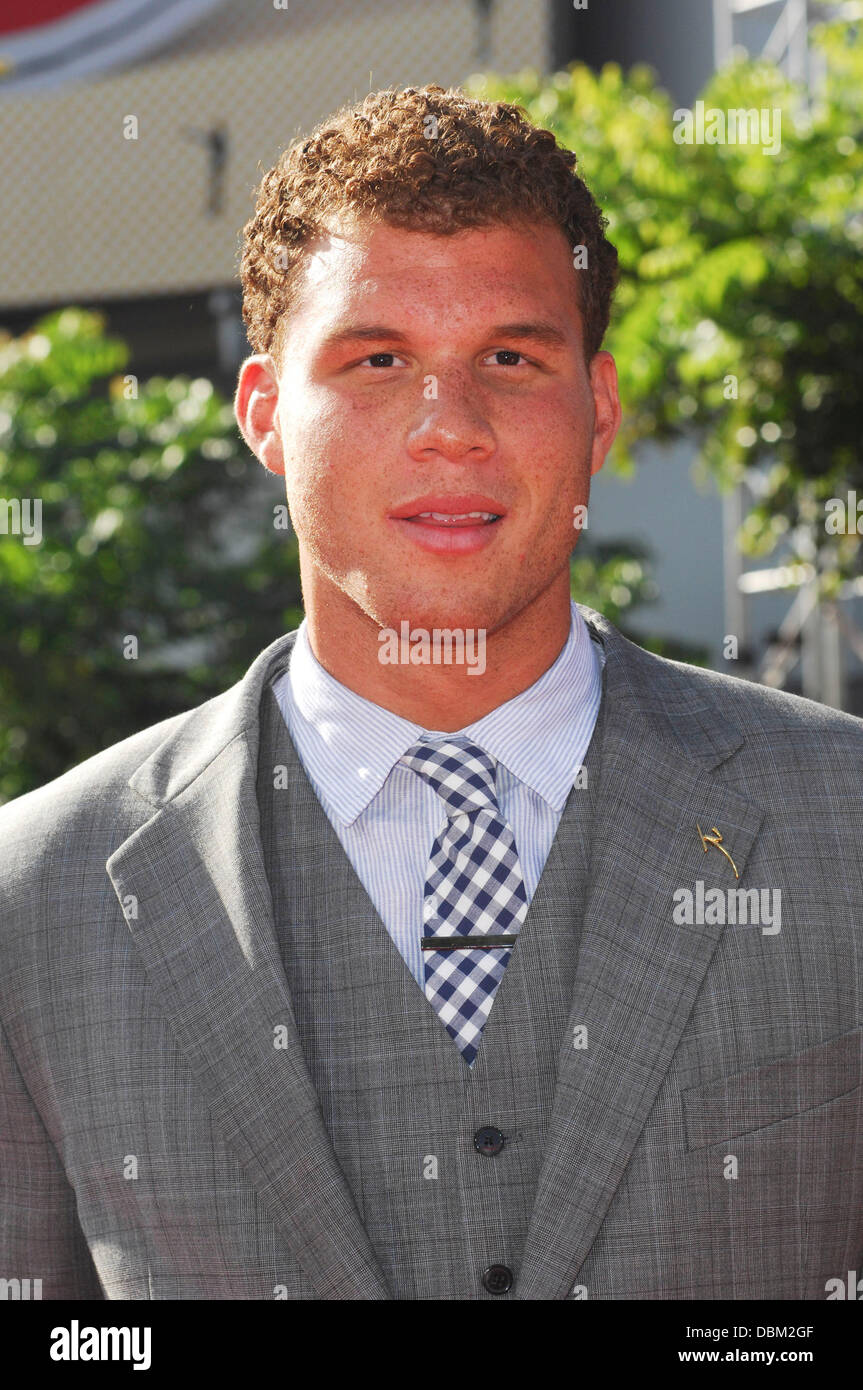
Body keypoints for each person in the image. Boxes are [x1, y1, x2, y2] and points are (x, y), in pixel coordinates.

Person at [1, 84, 862, 1303]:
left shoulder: (844, 819)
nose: (446, 425)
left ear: (598, 407)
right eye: (376, 358)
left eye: (509, 357)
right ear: (265, 415)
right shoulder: (33, 899)